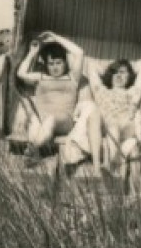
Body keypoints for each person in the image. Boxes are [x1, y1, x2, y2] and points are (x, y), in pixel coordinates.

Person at [63, 57, 141, 177]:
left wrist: (128, 64)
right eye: (114, 72)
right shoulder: (101, 91)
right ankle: (103, 168)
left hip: (126, 126)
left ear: (130, 76)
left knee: (114, 125)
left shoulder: (133, 92)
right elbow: (91, 66)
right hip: (107, 127)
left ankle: (110, 164)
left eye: (122, 72)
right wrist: (111, 66)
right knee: (104, 120)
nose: (118, 75)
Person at [14, 32, 88, 162]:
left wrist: (55, 38)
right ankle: (35, 153)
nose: (55, 67)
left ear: (65, 63)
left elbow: (80, 53)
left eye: (58, 63)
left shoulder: (72, 77)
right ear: (46, 65)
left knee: (50, 120)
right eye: (51, 63)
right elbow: (21, 73)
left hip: (64, 121)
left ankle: (32, 149)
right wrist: (32, 53)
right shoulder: (40, 77)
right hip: (42, 119)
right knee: (35, 123)